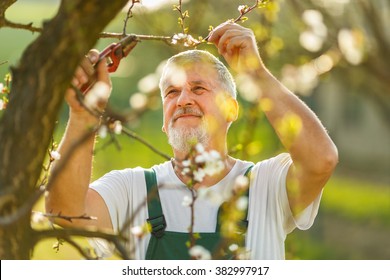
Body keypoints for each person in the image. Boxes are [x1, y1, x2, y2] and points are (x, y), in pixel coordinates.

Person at [45, 22, 338, 260]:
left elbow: (321, 160)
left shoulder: (265, 186)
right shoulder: (132, 190)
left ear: (231, 110)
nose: (183, 99)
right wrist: (84, 115)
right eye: (171, 93)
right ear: (163, 120)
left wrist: (256, 73)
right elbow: (65, 214)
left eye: (198, 88)